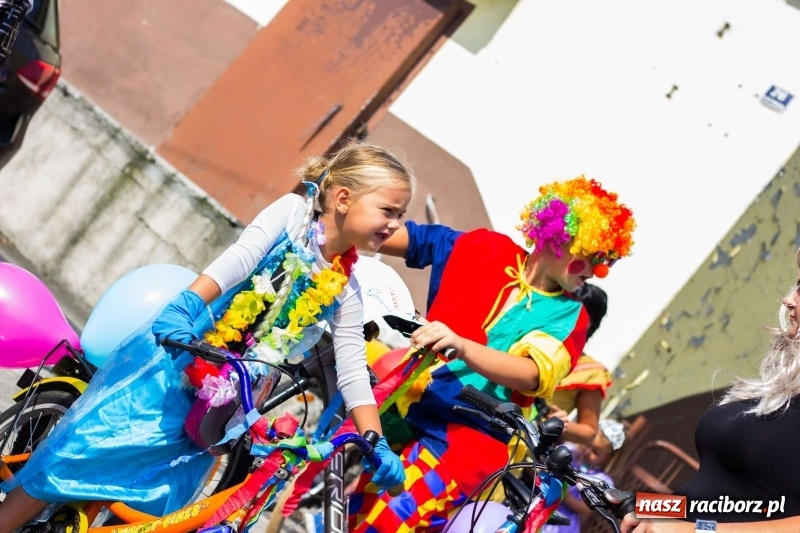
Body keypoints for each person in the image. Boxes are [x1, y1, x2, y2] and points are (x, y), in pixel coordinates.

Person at [0, 140, 413, 532]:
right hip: (184, 355)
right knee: (79, 456)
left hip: (227, 400)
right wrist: (186, 305)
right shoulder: (293, 214)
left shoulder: (346, 288)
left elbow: (352, 370)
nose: (395, 225)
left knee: (156, 500)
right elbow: (240, 260)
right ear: (342, 198)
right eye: (388, 210)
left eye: (401, 214)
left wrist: (375, 441)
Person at [346, 175, 637, 532]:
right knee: (353, 517)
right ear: (561, 240)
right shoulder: (485, 248)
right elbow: (415, 240)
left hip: (466, 442)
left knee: (386, 526)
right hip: (405, 410)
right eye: (593, 257)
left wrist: (463, 346)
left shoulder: (570, 316)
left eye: (607, 260)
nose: (598, 271)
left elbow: (532, 373)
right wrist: (342, 227)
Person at [621, 248, 800, 532]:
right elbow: (724, 498)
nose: (788, 299)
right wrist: (648, 507)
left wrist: (695, 530)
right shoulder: (787, 393)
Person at [547, 283, 613, 445]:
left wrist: (562, 424)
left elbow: (589, 432)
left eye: (576, 310)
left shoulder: (590, 372)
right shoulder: (531, 335)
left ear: (589, 323)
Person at [542, 418, 627, 533]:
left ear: (608, 459)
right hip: (539, 503)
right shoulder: (569, 451)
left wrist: (564, 494)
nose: (587, 451)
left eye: (595, 452)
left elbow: (585, 509)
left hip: (560, 523)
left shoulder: (601, 480)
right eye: (587, 445)